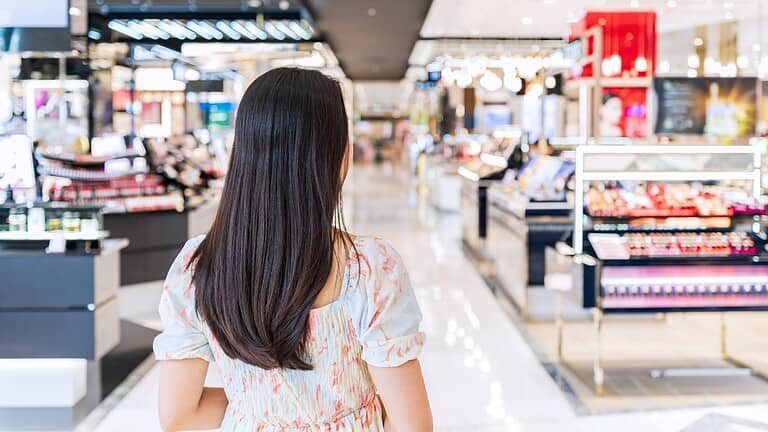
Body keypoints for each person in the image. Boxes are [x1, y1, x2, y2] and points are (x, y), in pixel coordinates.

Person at [153, 68, 433, 432]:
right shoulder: (370, 268)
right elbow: (413, 425)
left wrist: (253, 398)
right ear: (337, 156)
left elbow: (179, 417)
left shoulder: (196, 267)